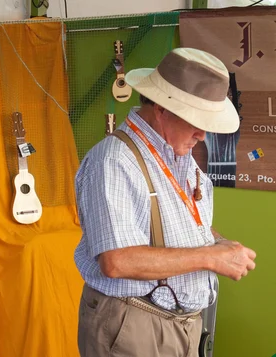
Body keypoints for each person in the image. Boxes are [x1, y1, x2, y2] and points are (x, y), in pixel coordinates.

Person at [74, 47, 257, 357]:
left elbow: (181, 221)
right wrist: (211, 257)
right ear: (161, 108)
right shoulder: (114, 161)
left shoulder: (175, 151)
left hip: (176, 326)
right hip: (133, 327)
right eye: (195, 120)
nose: (202, 134)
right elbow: (117, 261)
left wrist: (221, 244)